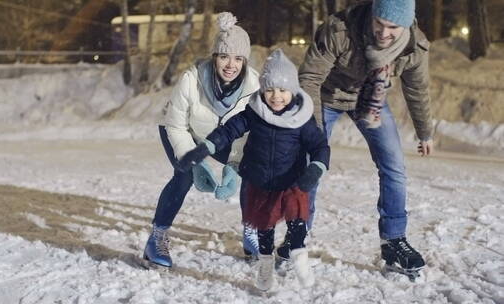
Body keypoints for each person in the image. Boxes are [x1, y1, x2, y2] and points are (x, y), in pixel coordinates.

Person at [298, 0, 431, 277]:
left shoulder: (413, 46)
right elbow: (310, 78)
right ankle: (297, 234)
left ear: (405, 25)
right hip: (326, 97)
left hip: (370, 101)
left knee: (394, 165)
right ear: (371, 15)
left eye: (392, 27)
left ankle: (394, 241)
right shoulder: (339, 30)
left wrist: (424, 131)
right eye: (379, 24)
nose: (384, 34)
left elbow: (417, 88)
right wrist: (310, 129)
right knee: (310, 163)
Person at [179, 49, 330, 290]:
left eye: (282, 90)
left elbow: (320, 145)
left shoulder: (302, 119)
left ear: (292, 91)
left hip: (293, 181)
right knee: (264, 228)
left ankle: (299, 254)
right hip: (260, 181)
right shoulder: (254, 113)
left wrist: (316, 168)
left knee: (297, 219)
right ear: (262, 90)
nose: (276, 96)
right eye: (269, 90)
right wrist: (204, 148)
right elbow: (228, 130)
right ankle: (266, 265)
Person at [143, 12, 261, 268]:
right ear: (215, 56)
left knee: (253, 170)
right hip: (181, 129)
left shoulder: (254, 85)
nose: (231, 64)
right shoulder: (192, 79)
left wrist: (234, 164)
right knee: (183, 176)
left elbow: (248, 134)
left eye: (238, 58)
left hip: (222, 137)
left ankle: (252, 232)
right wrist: (194, 161)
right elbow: (176, 125)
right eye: (224, 56)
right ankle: (157, 239)